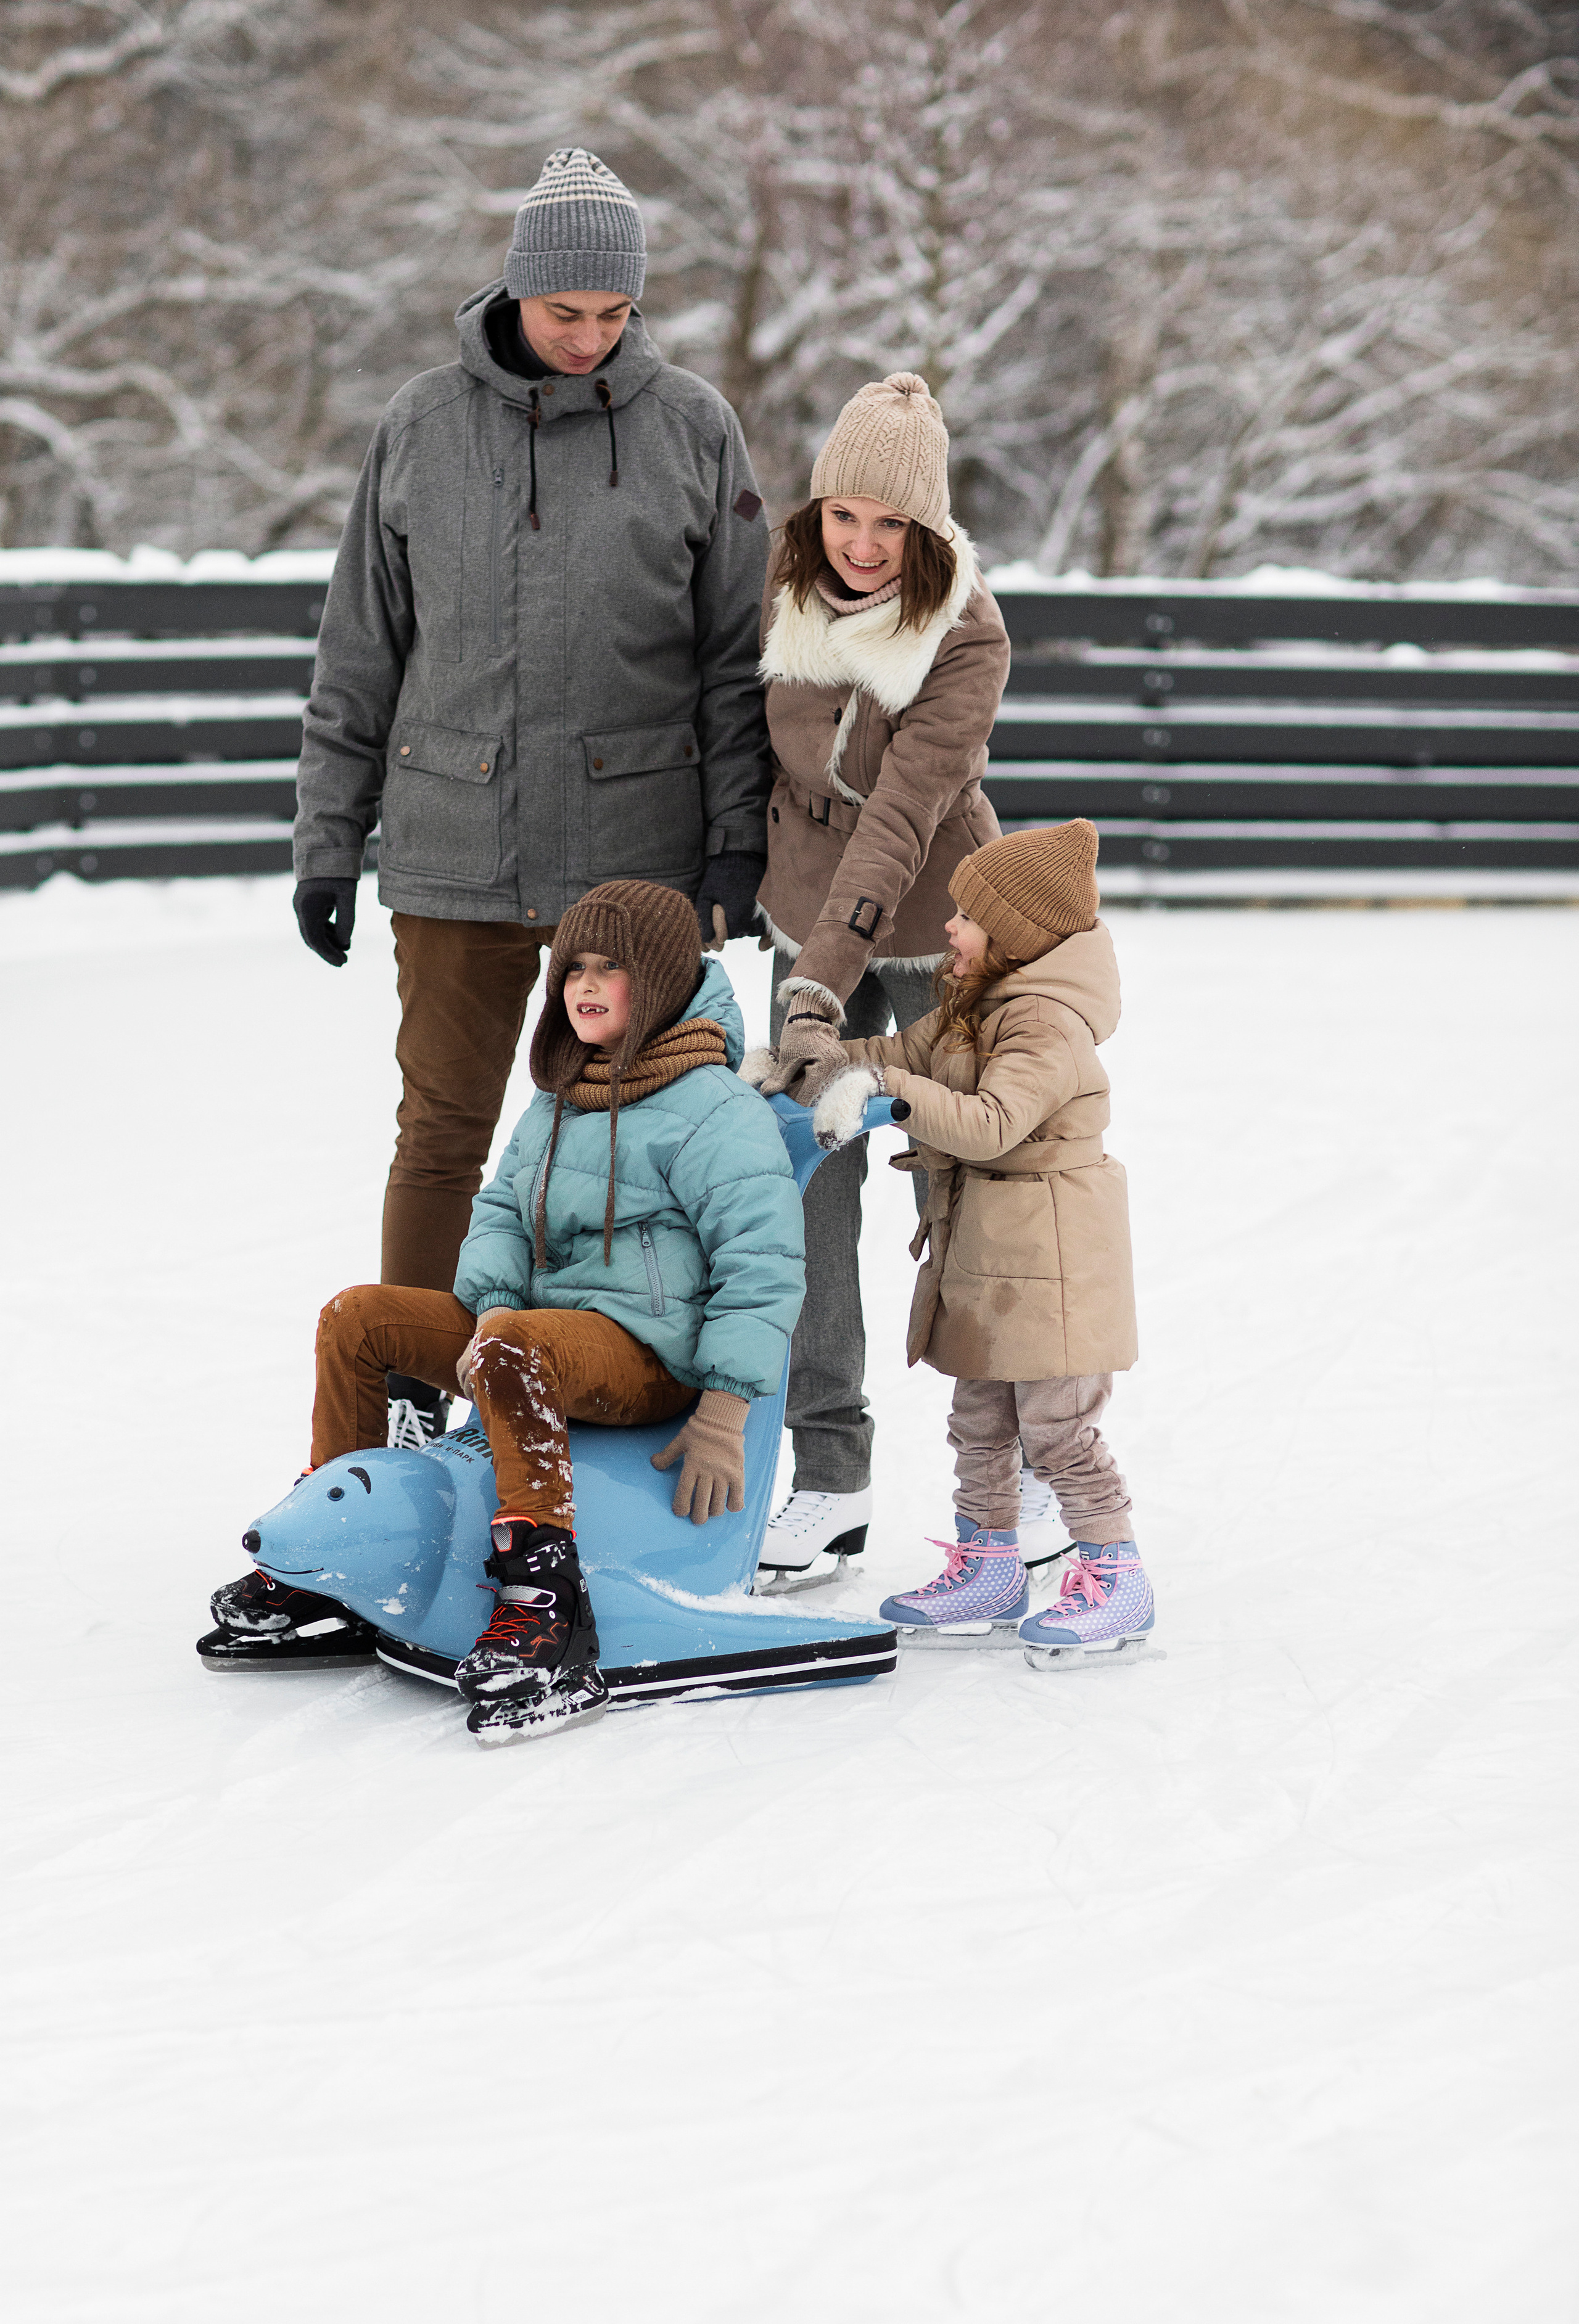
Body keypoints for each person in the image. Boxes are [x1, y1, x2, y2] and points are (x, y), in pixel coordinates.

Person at [290, 147, 773, 1448]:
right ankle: (405, 1403)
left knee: (623, 1139)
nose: (592, 337)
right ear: (514, 290)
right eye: (568, 312)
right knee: (442, 1127)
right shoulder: (417, 426)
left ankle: (603, 1392)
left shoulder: (691, 425)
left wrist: (738, 845)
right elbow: (359, 649)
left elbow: (738, 659)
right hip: (453, 840)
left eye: (615, 315)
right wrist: (327, 842)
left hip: (634, 856)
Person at [207, 881, 806, 1746]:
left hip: (649, 1353)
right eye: (575, 969)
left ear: (668, 980)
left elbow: (763, 1266)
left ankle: (544, 1598)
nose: (585, 986)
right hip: (534, 1337)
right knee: (357, 1318)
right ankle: (332, 1558)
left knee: (516, 1345)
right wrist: (489, 1310)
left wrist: (725, 1405)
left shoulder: (716, 1109)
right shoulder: (562, 1090)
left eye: (613, 969)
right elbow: (498, 1212)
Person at [748, 371, 1012, 1590]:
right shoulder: (785, 590)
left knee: (972, 1211)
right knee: (802, 1205)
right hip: (807, 930)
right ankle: (832, 1483)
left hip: (930, 940)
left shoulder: (965, 634)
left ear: (928, 532)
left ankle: (1008, 1494)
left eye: (890, 525)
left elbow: (900, 818)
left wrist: (817, 983)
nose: (861, 544)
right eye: (846, 514)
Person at [786, 819, 1154, 1659]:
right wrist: (808, 1062)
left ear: (1016, 936)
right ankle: (989, 1564)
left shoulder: (1045, 1025)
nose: (946, 929)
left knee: (1059, 1429)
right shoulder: (969, 1009)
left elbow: (991, 1123)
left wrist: (889, 1087)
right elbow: (889, 1051)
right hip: (993, 1257)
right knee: (980, 1419)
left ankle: (1116, 1571)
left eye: (966, 916)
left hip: (1052, 1262)